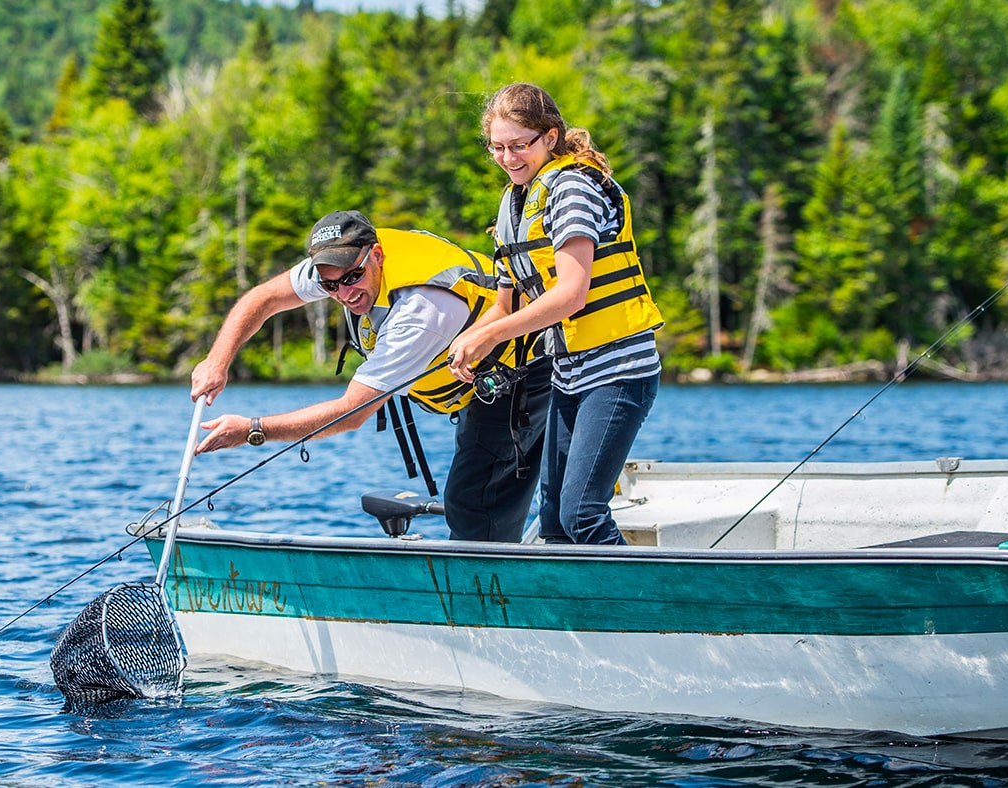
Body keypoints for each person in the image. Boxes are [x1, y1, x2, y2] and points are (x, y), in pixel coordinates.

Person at [191, 210, 550, 542]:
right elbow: (266, 297)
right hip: (475, 387)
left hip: (524, 374)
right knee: (472, 495)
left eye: (351, 278)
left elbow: (352, 412)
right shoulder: (337, 266)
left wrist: (254, 429)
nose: (345, 294)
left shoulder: (421, 309)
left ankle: (483, 602)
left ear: (376, 254)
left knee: (474, 501)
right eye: (331, 286)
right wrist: (216, 361)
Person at [446, 83, 664, 546]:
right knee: (554, 526)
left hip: (619, 371)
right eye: (498, 148)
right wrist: (464, 344)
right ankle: (571, 618)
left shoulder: (573, 188)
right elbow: (505, 306)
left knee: (582, 514)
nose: (508, 158)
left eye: (519, 145)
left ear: (549, 136)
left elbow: (571, 295)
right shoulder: (513, 203)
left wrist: (489, 337)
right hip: (569, 373)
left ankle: (650, 608)